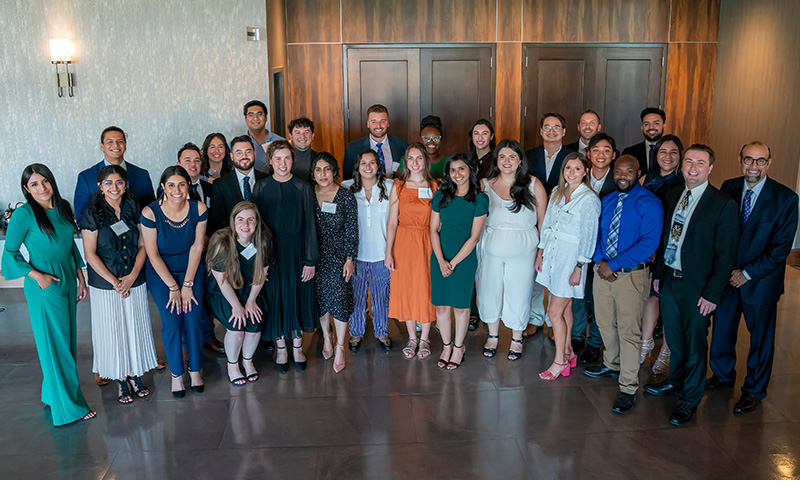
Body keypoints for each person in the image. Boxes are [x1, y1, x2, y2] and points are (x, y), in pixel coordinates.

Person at [644, 144, 739, 426]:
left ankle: (690, 397)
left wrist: (712, 293)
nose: (692, 167)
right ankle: (674, 382)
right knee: (673, 338)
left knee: (695, 343)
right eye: (688, 162)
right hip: (670, 279)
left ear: (710, 168)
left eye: (700, 163)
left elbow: (726, 255)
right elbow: (666, 240)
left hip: (699, 287)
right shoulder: (674, 193)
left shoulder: (723, 204)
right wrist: (660, 274)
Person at [707, 141, 799, 414]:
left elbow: (780, 248)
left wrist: (747, 274)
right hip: (727, 279)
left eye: (760, 161)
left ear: (769, 163)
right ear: (740, 160)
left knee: (760, 339)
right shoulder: (729, 187)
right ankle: (722, 376)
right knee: (722, 332)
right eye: (749, 160)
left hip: (760, 282)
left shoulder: (786, 198)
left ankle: (754, 390)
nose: (754, 166)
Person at [2, 164, 96, 425]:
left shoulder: (62, 206)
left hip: (67, 276)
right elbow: (9, 254)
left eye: (45, 181)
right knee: (54, 347)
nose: (42, 188)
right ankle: (70, 408)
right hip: (45, 284)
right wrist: (38, 276)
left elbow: (69, 246)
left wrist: (80, 277)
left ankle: (52, 394)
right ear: (26, 189)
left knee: (66, 342)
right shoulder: (24, 214)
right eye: (34, 184)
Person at [583, 156, 663, 414]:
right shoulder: (607, 200)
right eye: (618, 171)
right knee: (604, 322)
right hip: (602, 272)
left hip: (631, 276)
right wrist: (599, 261)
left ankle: (628, 386)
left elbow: (649, 244)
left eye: (629, 171)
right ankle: (612, 363)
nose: (623, 176)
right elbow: (597, 235)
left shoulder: (650, 203)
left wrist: (613, 265)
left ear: (638, 173)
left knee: (629, 331)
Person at [80, 165, 158, 404]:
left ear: (125, 185)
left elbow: (145, 245)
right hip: (106, 285)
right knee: (112, 330)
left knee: (134, 327)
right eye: (108, 183)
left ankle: (136, 375)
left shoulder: (135, 209)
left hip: (133, 279)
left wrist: (133, 275)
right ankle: (121, 379)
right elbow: (90, 254)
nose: (114, 187)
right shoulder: (91, 213)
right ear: (100, 186)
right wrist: (115, 281)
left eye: (119, 182)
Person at [141, 166, 208, 398]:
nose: (176, 189)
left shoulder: (199, 209)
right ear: (163, 187)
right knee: (171, 322)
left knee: (193, 319)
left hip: (191, 268)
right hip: (161, 273)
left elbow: (197, 247)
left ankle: (196, 370)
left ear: (188, 186)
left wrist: (187, 285)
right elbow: (152, 254)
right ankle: (177, 374)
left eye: (181, 184)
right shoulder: (150, 213)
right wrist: (173, 287)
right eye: (171, 185)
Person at [477, 140, 547, 361]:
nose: (507, 161)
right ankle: (493, 336)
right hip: (490, 244)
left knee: (520, 291)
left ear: (520, 161)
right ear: (496, 160)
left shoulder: (533, 184)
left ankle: (516, 337)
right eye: (502, 157)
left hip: (524, 246)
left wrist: (541, 252)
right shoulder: (484, 184)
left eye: (512, 157)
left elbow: (543, 221)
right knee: (489, 289)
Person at [253, 140, 319, 372]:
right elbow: (256, 228)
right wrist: (261, 260)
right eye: (278, 158)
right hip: (271, 253)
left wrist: (310, 260)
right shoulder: (260, 188)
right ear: (270, 161)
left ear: (293, 160)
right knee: (276, 298)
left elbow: (311, 225)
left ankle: (298, 347)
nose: (283, 163)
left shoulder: (303, 188)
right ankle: (281, 348)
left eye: (287, 158)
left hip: (297, 251)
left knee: (297, 297)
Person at [535, 152, 601, 380]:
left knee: (553, 312)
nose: (571, 173)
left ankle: (559, 361)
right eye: (568, 168)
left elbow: (589, 236)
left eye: (577, 168)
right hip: (554, 255)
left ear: (585, 171)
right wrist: (540, 252)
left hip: (572, 259)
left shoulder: (589, 199)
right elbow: (547, 225)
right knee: (564, 309)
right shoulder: (556, 193)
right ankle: (569, 352)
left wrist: (580, 265)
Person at [430, 155, 488, 369]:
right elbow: (433, 230)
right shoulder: (440, 195)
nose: (457, 174)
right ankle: (446, 346)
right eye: (453, 170)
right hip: (439, 256)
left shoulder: (479, 199)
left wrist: (452, 264)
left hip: (463, 259)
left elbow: (474, 237)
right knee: (442, 307)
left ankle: (458, 347)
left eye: (461, 169)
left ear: (470, 171)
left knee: (461, 307)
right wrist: (441, 260)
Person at [206, 201, 273, 386]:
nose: (246, 225)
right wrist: (237, 306)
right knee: (237, 326)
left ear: (257, 222)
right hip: (223, 292)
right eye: (241, 219)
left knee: (255, 323)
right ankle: (233, 365)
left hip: (251, 289)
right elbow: (222, 281)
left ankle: (248, 361)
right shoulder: (221, 240)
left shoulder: (264, 239)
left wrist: (251, 302)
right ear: (233, 221)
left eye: (251, 219)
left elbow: (261, 274)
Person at [386, 143, 438, 360]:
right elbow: (391, 223)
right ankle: (412, 337)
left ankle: (425, 337)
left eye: (419, 158)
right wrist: (389, 252)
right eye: (410, 158)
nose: (415, 163)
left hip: (427, 240)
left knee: (425, 288)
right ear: (405, 162)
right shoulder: (398, 186)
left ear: (425, 161)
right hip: (404, 241)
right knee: (407, 288)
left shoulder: (436, 186)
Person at [639, 134, 685, 374]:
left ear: (681, 155)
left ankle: (666, 350)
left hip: (672, 247)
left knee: (669, 301)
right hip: (648, 246)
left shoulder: (684, 181)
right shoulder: (646, 178)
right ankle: (645, 345)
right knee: (651, 296)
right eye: (663, 151)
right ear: (656, 155)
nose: (668, 156)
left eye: (673, 152)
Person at [571, 133, 618, 364]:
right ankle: (577, 335)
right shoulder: (578, 177)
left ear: (613, 155)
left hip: (605, 250)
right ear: (588, 154)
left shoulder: (618, 180)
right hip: (579, 247)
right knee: (578, 294)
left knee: (597, 298)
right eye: (596, 150)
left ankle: (595, 342)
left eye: (606, 150)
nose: (601, 155)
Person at [342, 149, 394, 352]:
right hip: (356, 254)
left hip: (382, 253)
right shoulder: (347, 188)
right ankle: (356, 332)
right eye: (363, 163)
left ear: (378, 165)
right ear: (358, 166)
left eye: (372, 163)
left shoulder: (390, 187)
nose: (368, 167)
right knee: (357, 295)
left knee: (381, 296)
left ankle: (382, 331)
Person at [312, 153, 359, 373]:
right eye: (318, 169)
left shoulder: (346, 196)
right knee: (320, 301)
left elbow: (351, 230)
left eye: (327, 169)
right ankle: (326, 336)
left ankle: (340, 347)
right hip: (315, 256)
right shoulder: (308, 194)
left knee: (339, 301)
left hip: (339, 257)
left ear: (334, 171)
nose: (323, 174)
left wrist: (350, 259)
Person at [178, 142, 224, 354]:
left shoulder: (211, 188)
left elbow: (220, 218)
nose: (193, 164)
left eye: (197, 160)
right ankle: (189, 342)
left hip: (212, 251)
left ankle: (207, 335)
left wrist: (212, 240)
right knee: (190, 298)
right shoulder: (174, 192)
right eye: (187, 160)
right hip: (185, 254)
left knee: (208, 294)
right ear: (179, 163)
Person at [74, 126, 155, 226]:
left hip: (138, 237)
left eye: (120, 141)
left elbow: (151, 211)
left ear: (125, 145)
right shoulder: (86, 177)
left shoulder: (142, 175)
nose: (115, 145)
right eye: (110, 142)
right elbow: (81, 218)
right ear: (102, 146)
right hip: (102, 239)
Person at [208, 135, 269, 236]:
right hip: (232, 242)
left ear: (254, 154)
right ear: (232, 156)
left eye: (248, 151)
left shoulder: (267, 180)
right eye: (239, 152)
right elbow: (218, 221)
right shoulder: (220, 185)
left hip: (263, 240)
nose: (244, 156)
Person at [343, 104, 408, 178]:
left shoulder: (402, 145)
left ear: (388, 123)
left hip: (394, 188)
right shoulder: (353, 148)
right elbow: (347, 178)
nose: (378, 126)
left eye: (383, 121)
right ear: (368, 124)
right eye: (374, 121)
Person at [526, 112, 576, 194]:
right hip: (533, 203)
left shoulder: (573, 156)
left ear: (563, 132)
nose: (551, 131)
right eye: (547, 127)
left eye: (556, 128)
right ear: (541, 131)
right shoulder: (528, 156)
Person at [243, 99, 285, 173]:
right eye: (251, 115)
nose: (255, 118)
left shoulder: (281, 142)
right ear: (245, 119)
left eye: (259, 114)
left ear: (266, 117)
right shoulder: (236, 145)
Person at [622, 107, 666, 175]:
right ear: (642, 128)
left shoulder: (672, 153)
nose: (651, 127)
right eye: (646, 124)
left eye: (656, 123)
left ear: (664, 126)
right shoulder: (629, 152)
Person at [288, 117, 319, 182]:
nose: (302, 136)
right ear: (291, 136)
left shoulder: (320, 158)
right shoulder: (282, 159)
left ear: (312, 136)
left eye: (306, 132)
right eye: (297, 132)